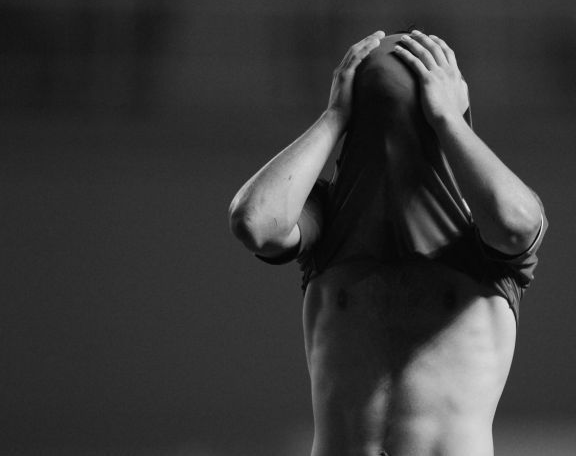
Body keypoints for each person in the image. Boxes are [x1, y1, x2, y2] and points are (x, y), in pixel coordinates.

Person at [229, 29, 548, 456]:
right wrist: (334, 116)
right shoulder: (326, 216)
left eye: (414, 119)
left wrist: (448, 118)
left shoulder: (479, 222)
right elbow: (255, 222)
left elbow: (516, 225)